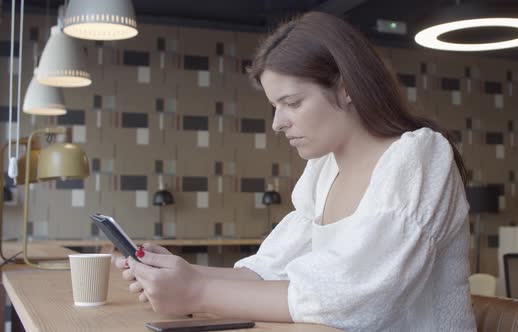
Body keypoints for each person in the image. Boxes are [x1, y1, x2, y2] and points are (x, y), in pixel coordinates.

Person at [116, 11, 476, 331]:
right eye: (275, 106)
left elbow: (357, 298)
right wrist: (183, 274)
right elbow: (272, 272)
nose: (277, 123)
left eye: (292, 103)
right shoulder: (323, 169)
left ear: (346, 89)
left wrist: (196, 293)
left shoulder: (421, 156)